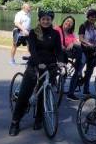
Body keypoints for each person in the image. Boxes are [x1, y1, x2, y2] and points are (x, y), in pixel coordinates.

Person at [9, 8, 65, 136]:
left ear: (51, 20)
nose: (46, 21)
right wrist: (38, 62)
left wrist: (61, 61)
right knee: (24, 94)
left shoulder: (55, 34)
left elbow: (58, 50)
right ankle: (15, 122)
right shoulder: (34, 32)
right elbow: (32, 50)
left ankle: (39, 119)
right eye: (43, 19)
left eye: (48, 19)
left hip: (50, 67)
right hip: (35, 65)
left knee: (43, 94)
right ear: (39, 20)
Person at [54, 16, 84, 101]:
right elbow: (54, 40)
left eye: (71, 23)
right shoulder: (57, 29)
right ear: (64, 21)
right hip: (56, 52)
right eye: (67, 21)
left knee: (79, 48)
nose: (68, 23)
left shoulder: (71, 34)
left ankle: (77, 69)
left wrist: (73, 43)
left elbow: (78, 43)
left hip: (65, 54)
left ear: (72, 25)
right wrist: (61, 46)